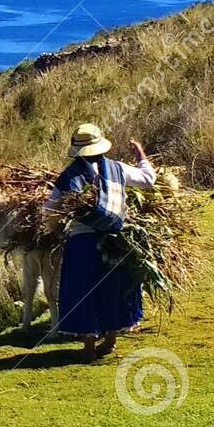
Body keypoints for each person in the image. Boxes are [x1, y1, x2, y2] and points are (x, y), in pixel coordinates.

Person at [46, 123, 156, 359]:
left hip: (82, 243)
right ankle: (110, 341)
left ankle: (88, 347)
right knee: (113, 289)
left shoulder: (69, 176)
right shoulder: (118, 169)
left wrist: (56, 228)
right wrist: (140, 155)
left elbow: (49, 211)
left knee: (83, 291)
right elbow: (148, 179)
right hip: (114, 241)